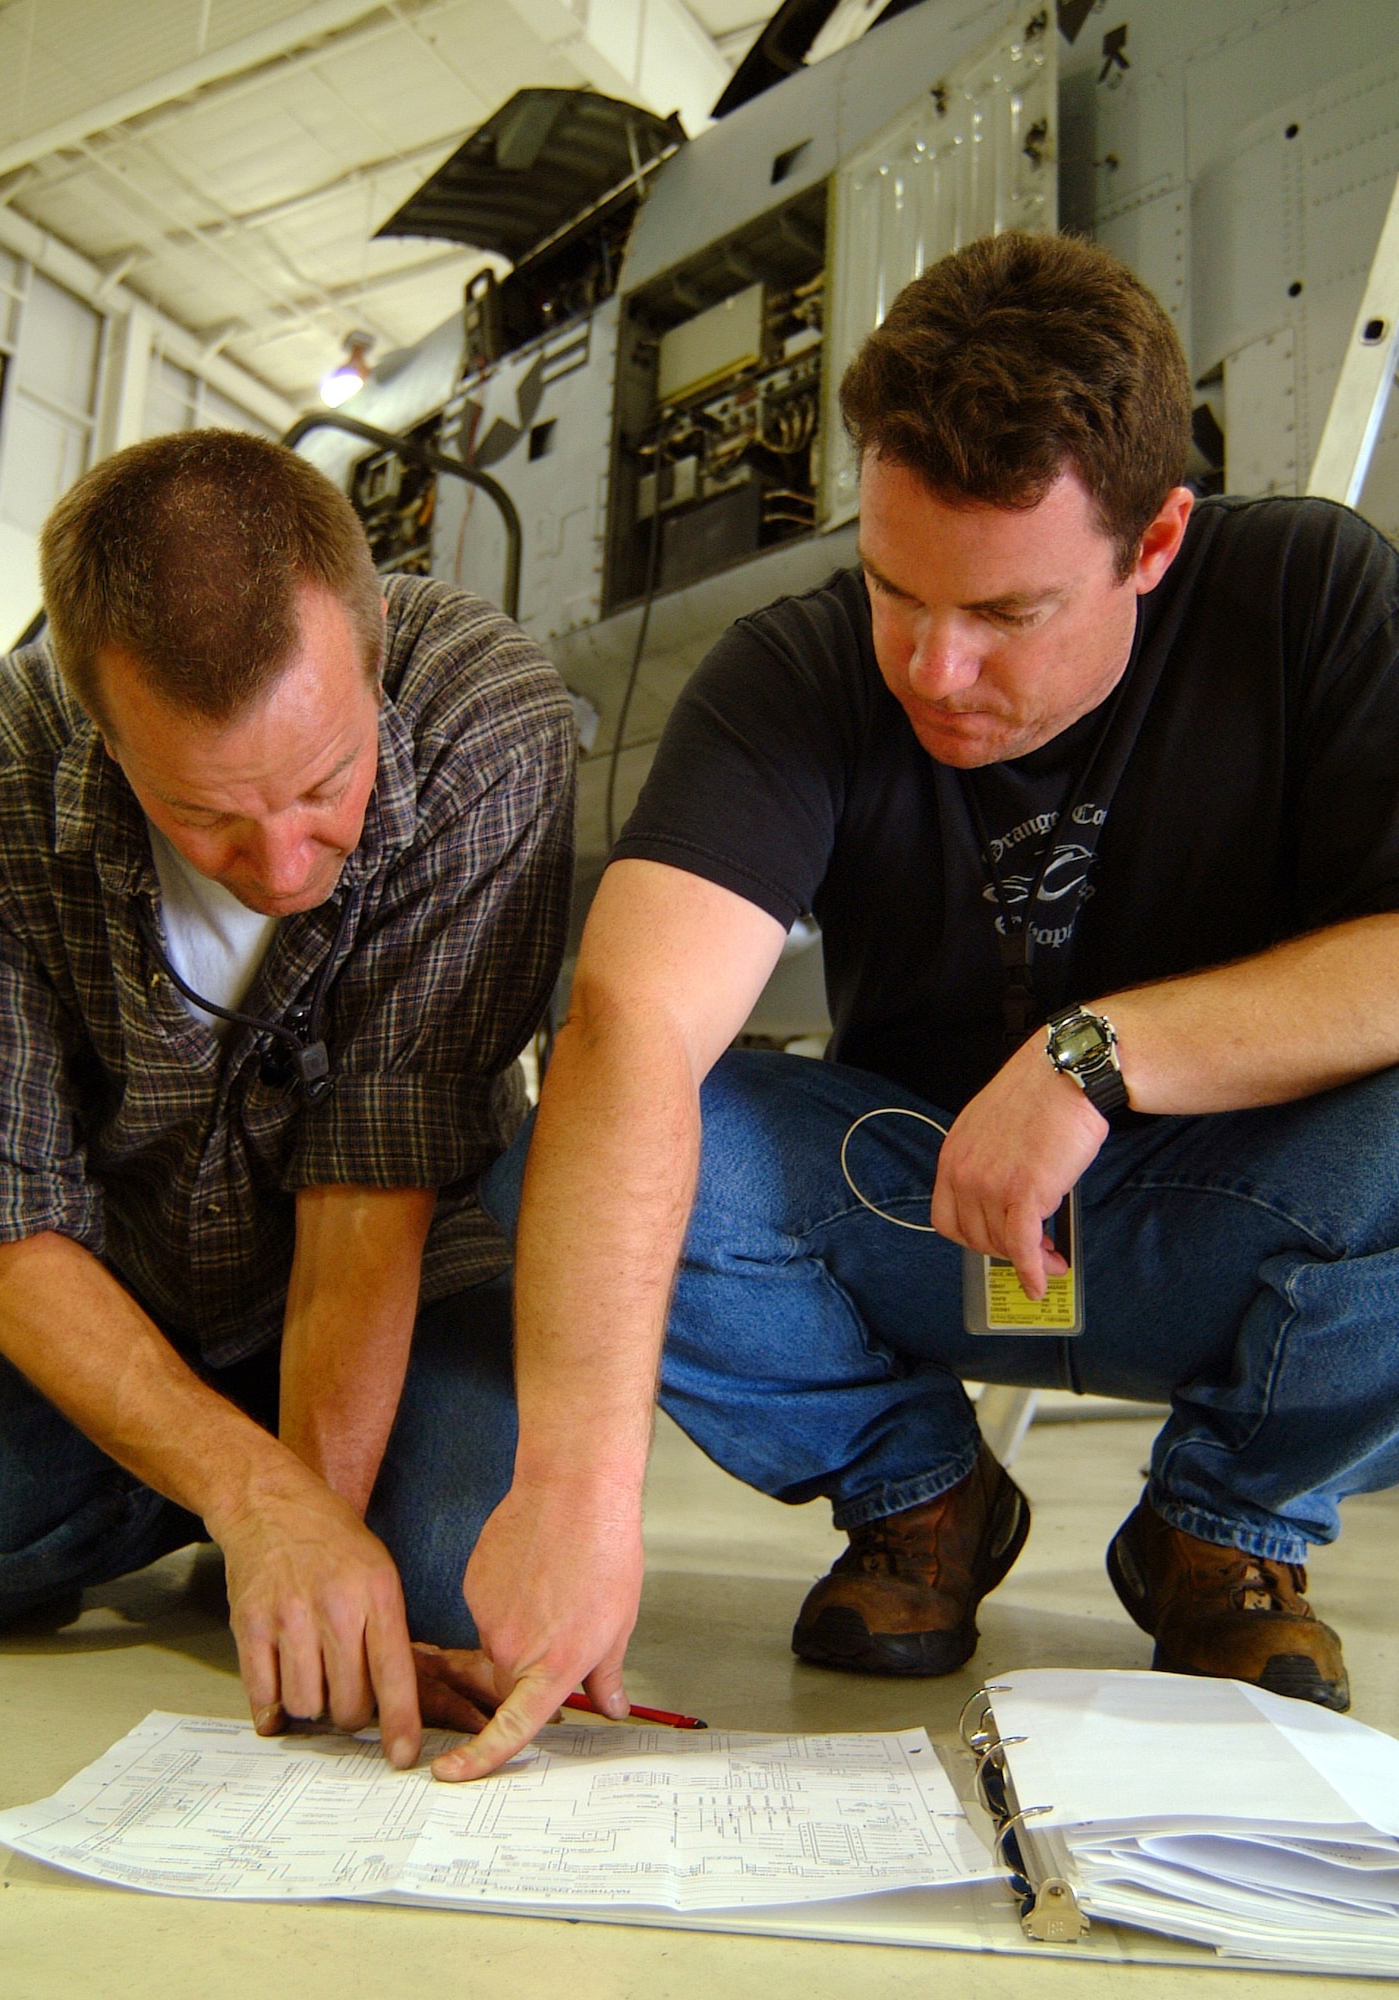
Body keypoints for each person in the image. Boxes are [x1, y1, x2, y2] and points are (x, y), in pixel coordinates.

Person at [436, 229, 1399, 1783]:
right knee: (579, 1145)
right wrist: (576, 1484)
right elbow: (627, 1027)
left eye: (1007, 614)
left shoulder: (1310, 595)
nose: (933, 669)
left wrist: (1095, 1059)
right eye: (896, 589)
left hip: (1238, 1213)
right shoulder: (793, 674)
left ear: (1154, 543)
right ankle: (921, 1495)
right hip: (920, 1207)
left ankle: (1221, 1532)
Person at [0, 429, 574, 1767]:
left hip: (414, 1258)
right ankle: (194, 1479)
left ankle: (197, 1492)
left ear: (372, 638)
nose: (281, 864)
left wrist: (311, 1519)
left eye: (327, 783)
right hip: (129, 1275)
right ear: (95, 724)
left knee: (456, 1589)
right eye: (204, 815)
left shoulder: (484, 725)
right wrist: (263, 1504)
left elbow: (372, 1180)